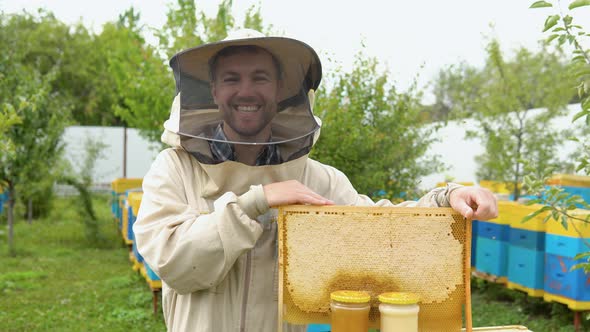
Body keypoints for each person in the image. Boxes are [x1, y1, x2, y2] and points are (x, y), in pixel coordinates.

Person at [133, 29, 498, 332]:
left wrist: (447, 198)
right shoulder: (175, 169)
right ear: (214, 92)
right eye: (232, 79)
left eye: (259, 78)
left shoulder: (318, 178)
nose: (246, 91)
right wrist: (254, 201)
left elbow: (383, 233)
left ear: (279, 90)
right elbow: (174, 263)